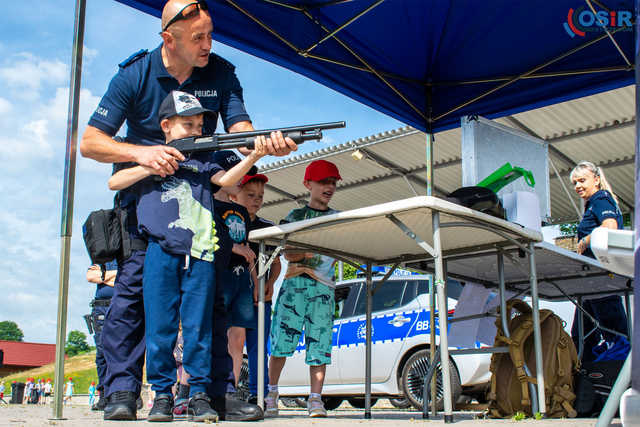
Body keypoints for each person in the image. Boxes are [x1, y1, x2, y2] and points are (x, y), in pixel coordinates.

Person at [80, 0, 296, 420]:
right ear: (168, 39)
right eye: (198, 38)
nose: (207, 45)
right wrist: (142, 155)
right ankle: (123, 392)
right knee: (131, 302)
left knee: (209, 301)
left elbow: (241, 132)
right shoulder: (135, 75)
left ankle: (214, 394)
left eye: (210, 34)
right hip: (141, 206)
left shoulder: (221, 72)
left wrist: (263, 145)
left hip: (197, 207)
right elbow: (90, 142)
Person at [108, 90, 268, 423]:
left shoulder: (204, 155)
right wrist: (150, 164)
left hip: (201, 254)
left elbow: (226, 180)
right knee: (160, 328)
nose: (195, 129)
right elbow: (115, 181)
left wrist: (253, 158)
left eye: (199, 123)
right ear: (166, 125)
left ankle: (198, 395)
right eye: (187, 124)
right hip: (159, 251)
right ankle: (162, 396)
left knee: (199, 328)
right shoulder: (147, 154)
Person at [266, 160, 341, 418]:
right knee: (280, 342)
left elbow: (341, 251)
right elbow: (290, 253)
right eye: (323, 182)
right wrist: (310, 248)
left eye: (332, 182)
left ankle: (316, 398)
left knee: (320, 344)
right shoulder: (295, 216)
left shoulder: (338, 218)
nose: (328, 187)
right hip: (294, 285)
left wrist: (313, 248)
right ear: (308, 184)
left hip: (324, 289)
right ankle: (272, 393)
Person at [569, 161, 628, 362]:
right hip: (591, 284)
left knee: (617, 338)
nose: (577, 186)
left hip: (601, 281)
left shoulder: (601, 199)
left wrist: (585, 240)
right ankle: (585, 385)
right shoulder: (593, 203)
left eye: (582, 180)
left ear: (596, 179)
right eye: (575, 183)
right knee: (581, 339)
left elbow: (609, 227)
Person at [231, 173, 281, 403]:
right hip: (235, 297)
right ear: (235, 193)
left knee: (258, 348)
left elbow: (277, 262)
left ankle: (258, 394)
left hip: (261, 298)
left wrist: (269, 285)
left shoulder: (267, 227)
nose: (256, 200)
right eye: (250, 195)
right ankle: (228, 392)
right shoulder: (229, 224)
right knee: (233, 344)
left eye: (260, 196)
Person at [86, 261, 117, 410]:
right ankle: (104, 393)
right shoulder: (102, 258)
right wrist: (116, 274)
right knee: (101, 353)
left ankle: (121, 392)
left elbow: (128, 278)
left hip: (119, 304)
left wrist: (102, 276)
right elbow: (91, 276)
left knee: (122, 351)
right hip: (100, 307)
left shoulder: (127, 256)